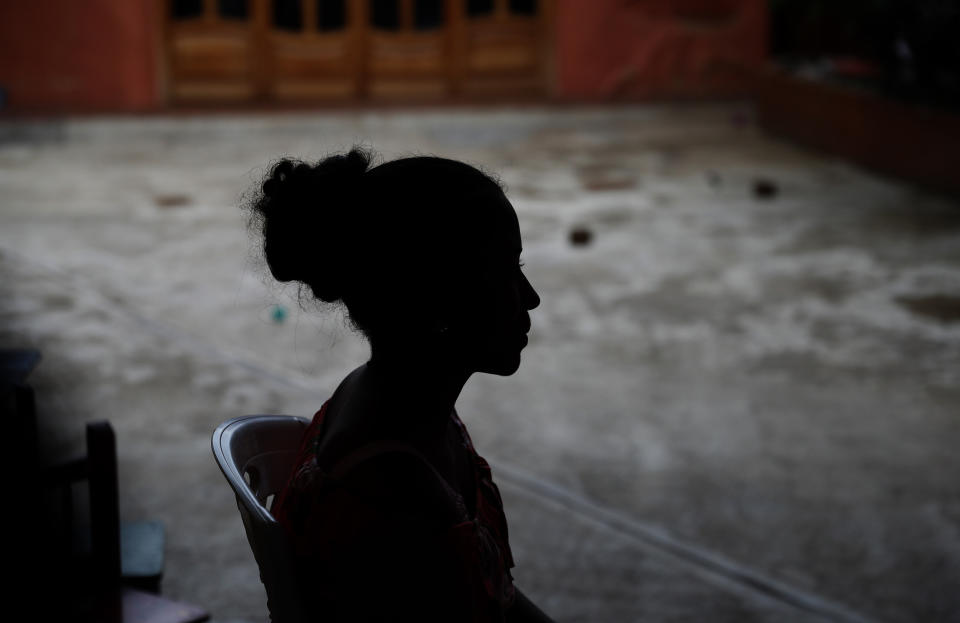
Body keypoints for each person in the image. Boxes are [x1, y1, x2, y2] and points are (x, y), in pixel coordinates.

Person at [246, 148, 551, 622]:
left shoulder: (393, 393)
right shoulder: (397, 495)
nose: (530, 297)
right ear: (439, 302)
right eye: (506, 272)